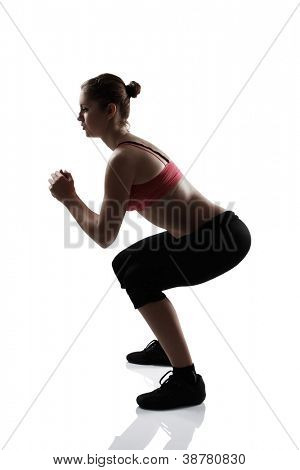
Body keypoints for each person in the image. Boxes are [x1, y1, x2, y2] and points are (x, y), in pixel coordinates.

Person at [48, 73, 252, 411]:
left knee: (139, 274)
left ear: (109, 109)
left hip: (219, 241)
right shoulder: (132, 147)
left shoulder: (121, 160)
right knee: (127, 262)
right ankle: (166, 345)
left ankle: (187, 382)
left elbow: (103, 235)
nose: (79, 117)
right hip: (220, 232)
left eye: (84, 109)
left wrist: (69, 198)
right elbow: (111, 234)